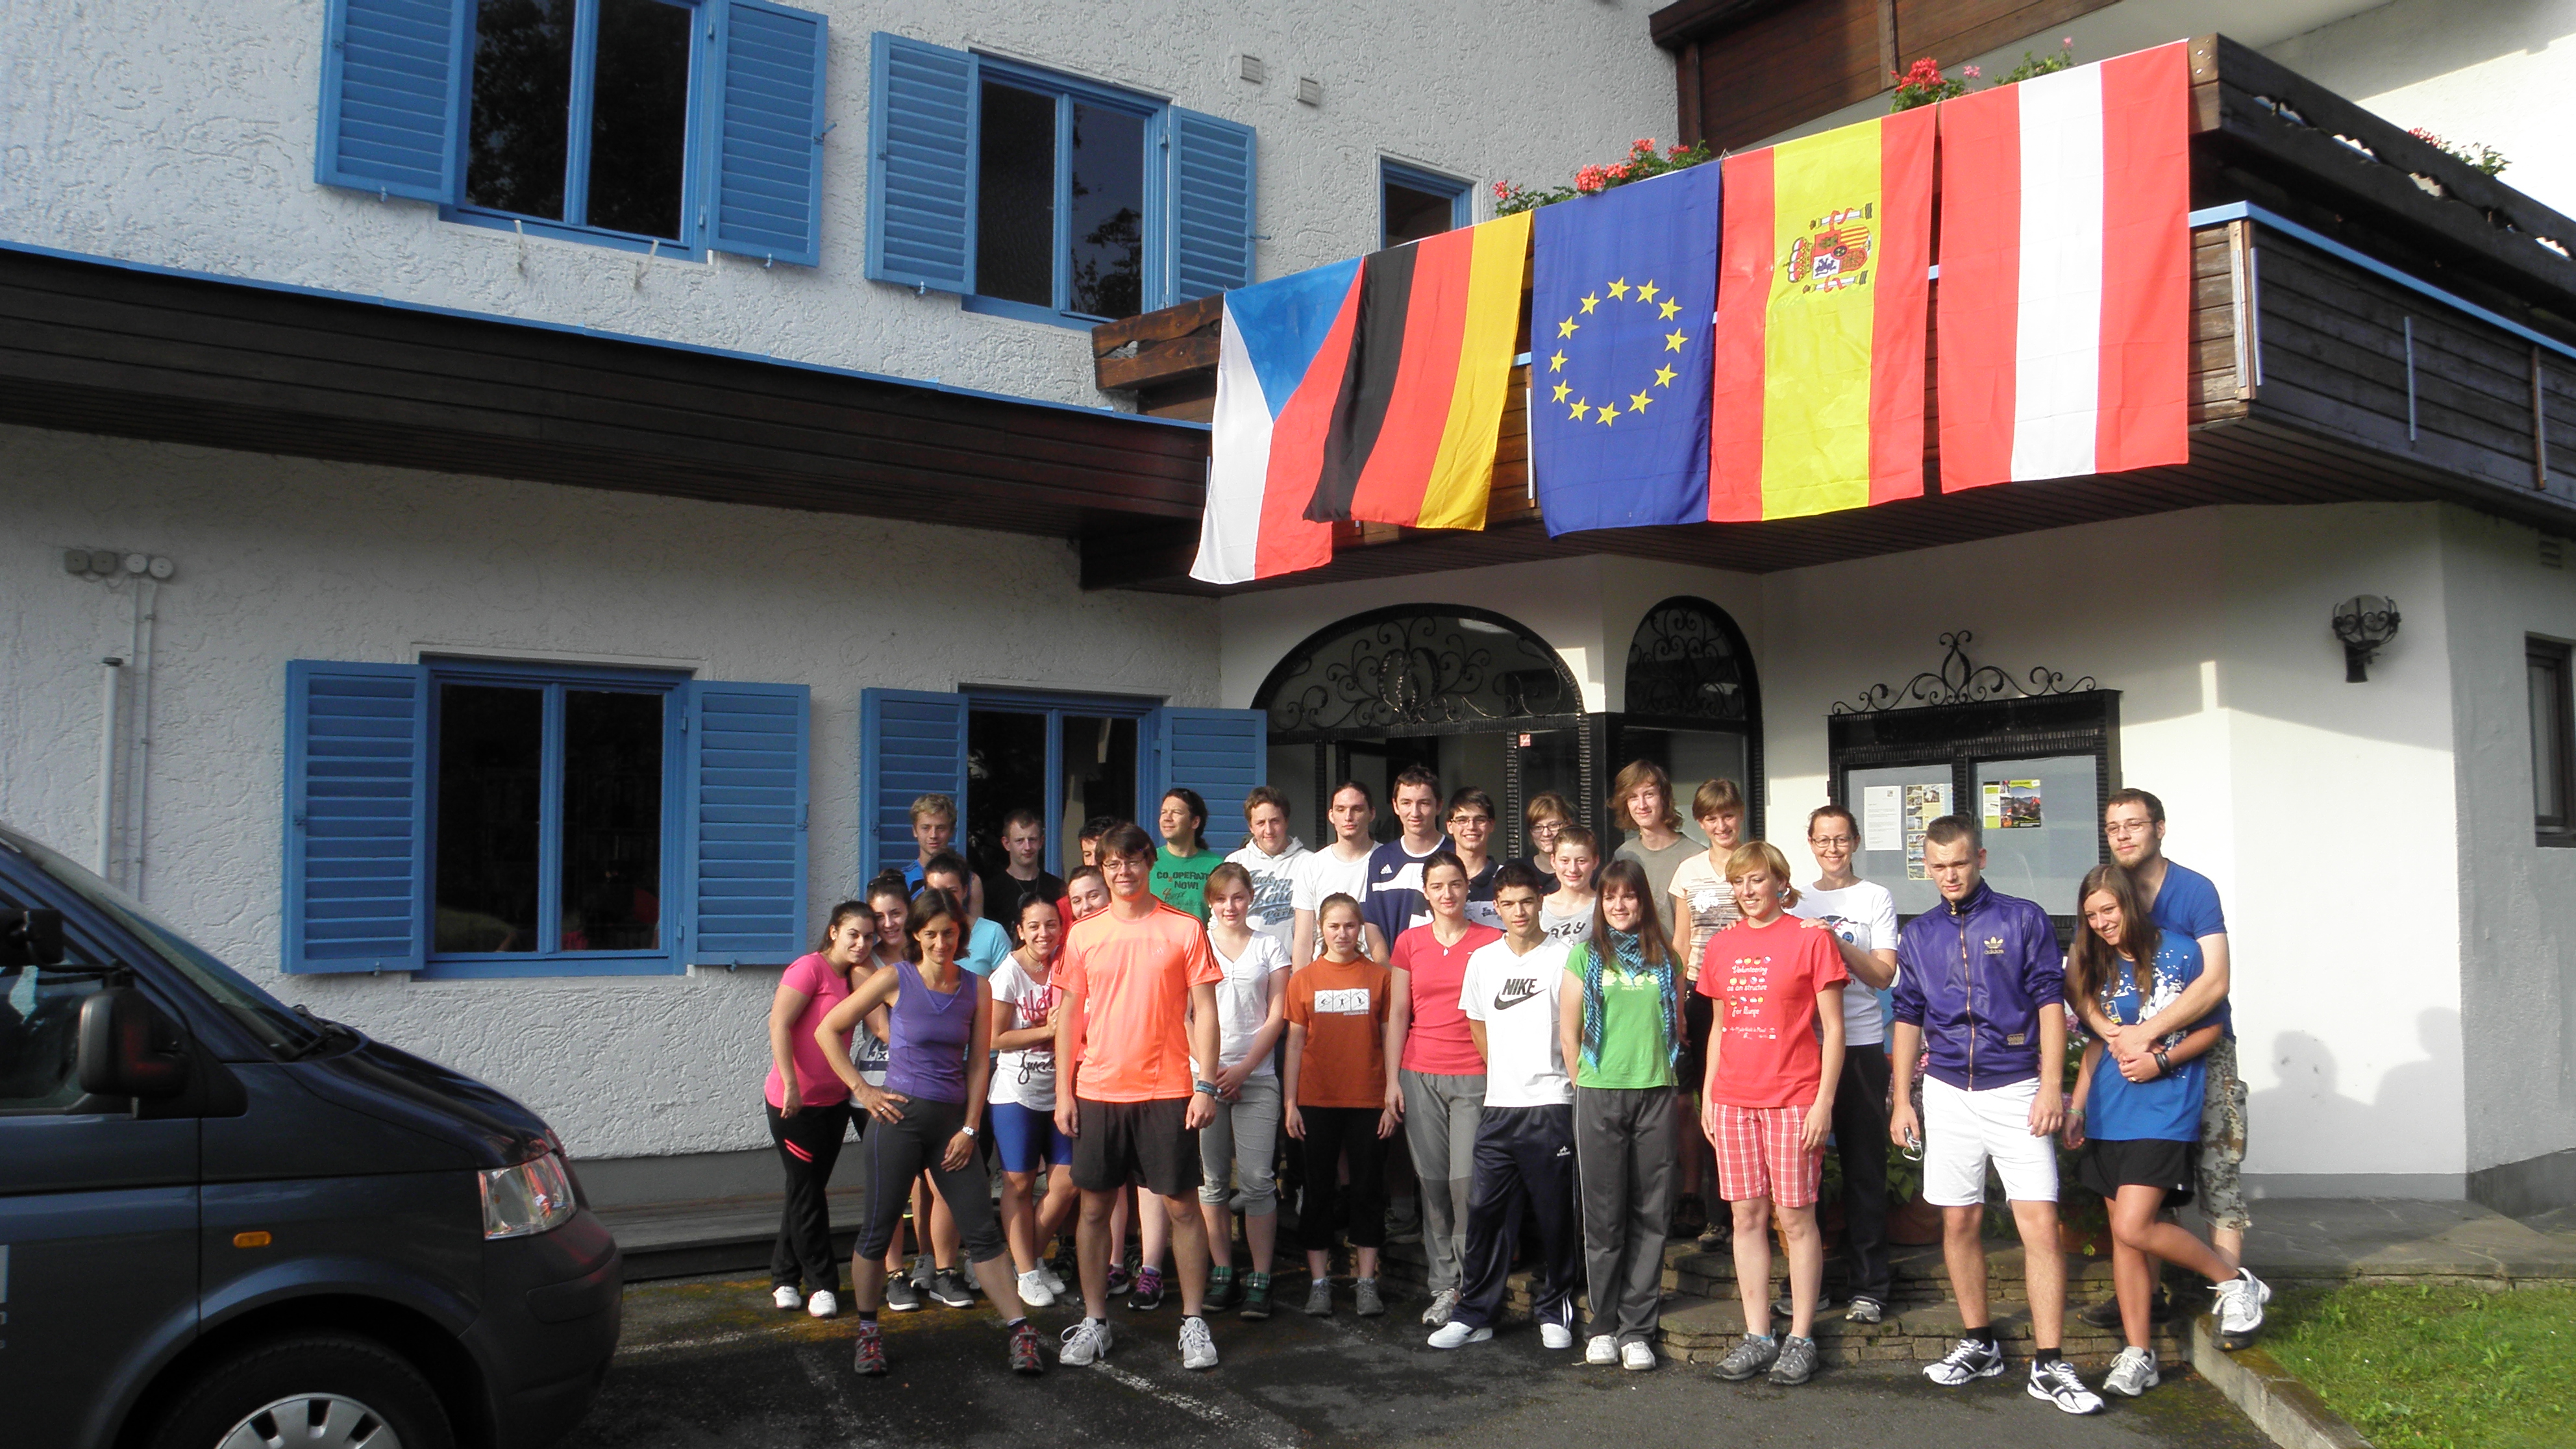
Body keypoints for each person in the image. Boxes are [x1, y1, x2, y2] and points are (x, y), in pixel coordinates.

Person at [1889, 817, 2102, 1416]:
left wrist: (2052, 1087)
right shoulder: (1919, 934)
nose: (1950, 875)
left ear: (1980, 858)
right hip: (1946, 1090)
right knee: (1958, 1222)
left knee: (2040, 1223)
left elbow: (2050, 1002)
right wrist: (1903, 1099)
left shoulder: (2022, 918)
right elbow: (1907, 1015)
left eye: (1959, 862)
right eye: (1938, 866)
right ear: (1926, 868)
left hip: (2016, 1088)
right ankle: (1980, 1343)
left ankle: (2049, 1361)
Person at [817, 887, 1045, 1378]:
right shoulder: (893, 978)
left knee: (981, 1232)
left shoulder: (976, 987)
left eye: (950, 933)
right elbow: (827, 1030)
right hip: (897, 1122)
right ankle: (868, 1331)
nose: (942, 943)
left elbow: (980, 1063)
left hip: (951, 1128)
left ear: (961, 934)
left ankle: (1020, 1330)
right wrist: (864, 1089)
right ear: (917, 936)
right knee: (878, 1230)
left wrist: (971, 1127)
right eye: (932, 934)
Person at [2063, 865, 2272, 1398]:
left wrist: (2162, 1060)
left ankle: (2233, 1281)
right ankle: (2139, 1354)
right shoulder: (2098, 963)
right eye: (2091, 915)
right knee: (2124, 1238)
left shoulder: (2182, 953)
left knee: (2136, 1225)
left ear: (2129, 904)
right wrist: (2078, 1107)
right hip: (2110, 1111)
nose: (2101, 922)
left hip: (2164, 1110)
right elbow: (2098, 1044)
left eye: (2109, 910)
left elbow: (2212, 1027)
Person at [1051, 824, 1226, 1371]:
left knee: (1183, 1208)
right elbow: (1068, 1019)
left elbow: (1206, 1012)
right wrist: (1063, 1092)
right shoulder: (1083, 935)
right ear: (1101, 870)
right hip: (1098, 1090)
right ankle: (1095, 1321)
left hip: (1168, 1089)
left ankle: (1193, 1321)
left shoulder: (1185, 928)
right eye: (1112, 863)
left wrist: (1206, 1083)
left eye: (1132, 861)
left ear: (1150, 863)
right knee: (1093, 1209)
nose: (1122, 871)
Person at [2100, 788, 2252, 1323]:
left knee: (2216, 1165)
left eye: (2134, 824)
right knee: (2145, 1173)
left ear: (2160, 828)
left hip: (2202, 1049)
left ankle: (2233, 1296)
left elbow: (2216, 981)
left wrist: (2148, 1034)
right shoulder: (2110, 892)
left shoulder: (2193, 891)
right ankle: (2146, 1296)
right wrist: (2120, 1037)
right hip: (2135, 1060)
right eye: (2114, 827)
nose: (2123, 835)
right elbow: (2086, 979)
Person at [1698, 842, 1846, 1388]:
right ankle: (1758, 1336)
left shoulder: (1810, 939)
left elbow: (1834, 1029)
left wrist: (1823, 1102)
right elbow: (1719, 1028)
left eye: (1758, 880)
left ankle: (1801, 1338)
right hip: (1733, 1099)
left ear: (1780, 882)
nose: (1748, 891)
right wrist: (1709, 1095)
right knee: (1745, 1217)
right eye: (1739, 882)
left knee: (1796, 1218)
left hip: (1793, 1098)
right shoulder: (1722, 944)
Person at [1428, 863, 1581, 1352]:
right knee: (1486, 1214)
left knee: (1555, 1217)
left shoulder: (1567, 957)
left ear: (1541, 902)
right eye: (1509, 904)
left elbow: (1578, 1030)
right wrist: (1505, 1072)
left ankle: (1555, 1309)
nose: (1519, 912)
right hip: (1499, 1106)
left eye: (1527, 902)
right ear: (1496, 907)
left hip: (1551, 1104)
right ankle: (1476, 1314)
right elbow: (1477, 1024)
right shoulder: (1483, 960)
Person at [1557, 858, 1681, 1370]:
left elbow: (1676, 1028)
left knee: (1652, 1214)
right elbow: (1569, 1035)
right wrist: (1585, 1082)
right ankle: (1603, 1326)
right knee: (1604, 1216)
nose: (1619, 905)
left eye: (1628, 895)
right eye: (1610, 897)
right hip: (1600, 1094)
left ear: (1643, 901)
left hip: (1655, 1092)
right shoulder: (1584, 956)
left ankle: (1637, 1331)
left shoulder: (1666, 959)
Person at [1784, 804, 1901, 1324]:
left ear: (1855, 842)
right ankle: (1806, 1286)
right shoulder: (1794, 900)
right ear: (1810, 843)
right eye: (1823, 840)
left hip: (1860, 1044)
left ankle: (1869, 1285)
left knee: (1863, 1167)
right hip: (1802, 1046)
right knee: (1798, 1172)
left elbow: (1882, 975)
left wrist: (1829, 939)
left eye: (1841, 839)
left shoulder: (1875, 897)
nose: (1832, 849)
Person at [1385, 852, 1504, 1327]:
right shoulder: (1409, 942)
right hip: (1419, 1074)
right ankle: (1444, 1286)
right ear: (1426, 892)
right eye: (1438, 886)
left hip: (1474, 1074)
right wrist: (1391, 1080)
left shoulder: (1491, 940)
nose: (1448, 893)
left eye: (1456, 884)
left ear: (1467, 888)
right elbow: (1398, 1013)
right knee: (1433, 1186)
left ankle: (1473, 1288)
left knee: (1466, 1186)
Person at [1284, 893, 1396, 1318]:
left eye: (1350, 925)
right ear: (1321, 930)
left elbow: (1389, 1037)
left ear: (1360, 928)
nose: (1343, 933)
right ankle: (1319, 1283)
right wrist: (1291, 1102)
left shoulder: (1379, 977)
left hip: (1369, 1099)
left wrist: (1390, 1097)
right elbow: (1294, 1043)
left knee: (1368, 1190)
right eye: (1334, 926)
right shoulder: (1303, 979)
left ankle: (1367, 1282)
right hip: (1316, 1099)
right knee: (1317, 1191)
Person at [764, 901, 873, 1320]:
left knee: (803, 1189)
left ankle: (784, 1276)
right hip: (795, 1105)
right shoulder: (809, 969)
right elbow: (779, 1024)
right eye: (853, 934)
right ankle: (823, 1284)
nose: (861, 944)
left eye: (868, 937)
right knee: (808, 1192)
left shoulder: (854, 977)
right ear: (834, 932)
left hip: (834, 1103)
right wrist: (791, 1084)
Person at [1196, 863, 1291, 1319]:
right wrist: (1211, 1071)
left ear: (1251, 897)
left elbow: (1277, 1014)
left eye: (1237, 897)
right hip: (1205, 1081)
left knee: (1256, 1181)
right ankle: (1222, 1271)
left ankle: (1261, 1277)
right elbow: (1183, 1015)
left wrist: (1244, 1068)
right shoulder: (1198, 945)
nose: (1229, 906)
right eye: (1220, 899)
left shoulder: (1270, 945)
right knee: (1212, 1182)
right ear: (1210, 903)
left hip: (1257, 1077)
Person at [1665, 778, 1747, 1247]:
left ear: (1741, 814)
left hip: (1748, 990)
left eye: (1728, 815)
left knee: (1737, 1096)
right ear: (1700, 822)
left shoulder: (1756, 861)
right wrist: (1678, 1002)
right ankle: (1711, 1209)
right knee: (1701, 1099)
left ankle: (1745, 1212)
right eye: (1711, 818)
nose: (1721, 825)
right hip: (1699, 988)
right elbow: (1681, 939)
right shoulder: (1689, 870)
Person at [990, 894, 1076, 1309]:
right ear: (1020, 931)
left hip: (1059, 1090)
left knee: (1068, 1182)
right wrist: (1047, 1031)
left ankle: (1026, 1260)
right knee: (1020, 1183)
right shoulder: (1008, 973)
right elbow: (995, 1038)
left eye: (1051, 925)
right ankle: (1026, 1272)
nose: (1044, 933)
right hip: (1015, 1093)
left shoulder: (1066, 964)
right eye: (1035, 926)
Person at [1361, 767, 1452, 962]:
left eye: (1424, 803)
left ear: (1439, 806)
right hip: (1395, 972)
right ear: (1395, 806)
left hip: (1447, 970)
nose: (1415, 813)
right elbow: (1372, 922)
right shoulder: (1380, 858)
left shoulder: (1456, 855)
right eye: (1406, 803)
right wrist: (1387, 968)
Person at [1293, 782, 1377, 969]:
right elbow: (1303, 940)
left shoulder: (1388, 860)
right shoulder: (1312, 866)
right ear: (1331, 815)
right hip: (1325, 973)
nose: (1348, 817)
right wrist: (1299, 983)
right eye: (1341, 809)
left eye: (1357, 809)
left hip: (1375, 973)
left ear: (1371, 814)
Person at [1611, 761, 1697, 939]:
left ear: (1664, 798)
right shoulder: (1623, 855)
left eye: (1649, 795)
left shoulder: (1695, 855)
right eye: (1633, 797)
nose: (1642, 805)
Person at [1226, 786, 1309, 961]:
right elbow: (1219, 920)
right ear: (1251, 827)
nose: (1269, 830)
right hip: (1248, 964)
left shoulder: (1309, 862)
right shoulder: (1235, 863)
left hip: (1293, 963)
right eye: (1261, 823)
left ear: (1286, 822)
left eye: (1275, 821)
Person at [923, 852, 1014, 979]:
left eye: (952, 891)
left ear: (965, 891)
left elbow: (1007, 985)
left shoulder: (992, 934)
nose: (944, 898)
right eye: (936, 891)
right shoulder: (916, 933)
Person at [904, 795, 984, 919]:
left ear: (951, 831)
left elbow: (979, 928)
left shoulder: (971, 880)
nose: (933, 835)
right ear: (915, 831)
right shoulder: (903, 879)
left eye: (941, 828)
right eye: (926, 828)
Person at [1152, 788, 1226, 921]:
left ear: (1195, 822)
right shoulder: (1148, 861)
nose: (1167, 818)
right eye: (1164, 812)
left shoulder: (1217, 866)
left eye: (1176, 813)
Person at [984, 809, 1065, 928]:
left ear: (1041, 842)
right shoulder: (991, 891)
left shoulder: (1058, 888)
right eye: (1020, 841)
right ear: (1007, 844)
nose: (1027, 847)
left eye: (1032, 840)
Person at [1541, 825, 1599, 946]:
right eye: (1565, 861)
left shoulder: (1605, 907)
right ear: (1553, 861)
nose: (1573, 869)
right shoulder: (1538, 907)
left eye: (1581, 861)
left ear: (1595, 862)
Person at [1523, 790, 1576, 895]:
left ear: (1568, 824)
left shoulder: (1584, 872)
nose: (1546, 833)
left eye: (1553, 825)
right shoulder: (1518, 870)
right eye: (1538, 827)